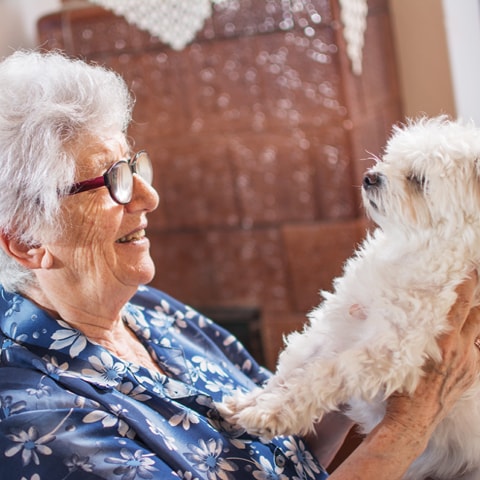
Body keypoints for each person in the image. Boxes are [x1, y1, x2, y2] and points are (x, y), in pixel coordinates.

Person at [0, 49, 477, 480]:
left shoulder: (155, 313)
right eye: (111, 182)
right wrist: (409, 424)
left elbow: (284, 451)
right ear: (26, 241)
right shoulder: (39, 422)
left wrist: (356, 358)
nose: (149, 197)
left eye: (131, 166)